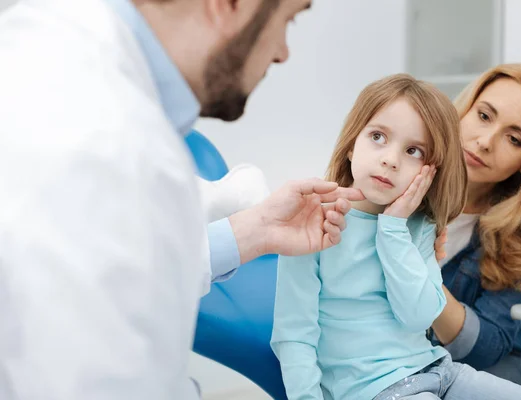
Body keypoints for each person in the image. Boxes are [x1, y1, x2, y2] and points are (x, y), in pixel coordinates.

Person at [0, 0, 364, 399]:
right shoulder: (109, 142)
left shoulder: (49, 49)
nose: (282, 51)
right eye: (287, 20)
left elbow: (125, 263)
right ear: (228, 5)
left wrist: (258, 230)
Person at [271, 73, 521, 400]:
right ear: (350, 145)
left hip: (440, 369)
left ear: (432, 168)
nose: (390, 159)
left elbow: (419, 315)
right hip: (379, 389)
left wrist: (394, 230)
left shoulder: (418, 227)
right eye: (377, 137)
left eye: (413, 150)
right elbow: (294, 335)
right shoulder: (314, 223)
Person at [430, 63, 521, 388]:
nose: (485, 142)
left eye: (514, 138)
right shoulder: (399, 173)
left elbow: (485, 350)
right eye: (483, 116)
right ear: (465, 110)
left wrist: (416, 274)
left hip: (497, 369)